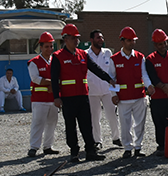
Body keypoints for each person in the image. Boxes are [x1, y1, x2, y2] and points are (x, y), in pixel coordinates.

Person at [50, 23, 113, 163]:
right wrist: (56, 97)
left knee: (86, 125)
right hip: (68, 98)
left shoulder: (83, 54)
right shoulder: (58, 56)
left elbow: (95, 68)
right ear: (65, 39)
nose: (76, 40)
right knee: (70, 126)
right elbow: (54, 78)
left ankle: (91, 151)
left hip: (83, 96)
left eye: (77, 38)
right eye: (73, 38)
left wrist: (108, 79)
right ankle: (74, 152)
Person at [110, 26, 153, 159]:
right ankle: (128, 148)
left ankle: (138, 147)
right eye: (129, 40)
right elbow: (111, 79)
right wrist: (113, 95)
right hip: (123, 98)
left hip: (139, 96)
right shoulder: (114, 59)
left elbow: (144, 74)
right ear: (122, 41)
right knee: (125, 125)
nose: (132, 43)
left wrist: (149, 86)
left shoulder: (140, 57)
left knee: (140, 124)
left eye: (133, 40)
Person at [27, 32, 60, 157]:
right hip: (39, 99)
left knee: (52, 123)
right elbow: (35, 78)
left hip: (53, 98)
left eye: (51, 46)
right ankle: (34, 147)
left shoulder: (55, 61)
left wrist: (53, 85)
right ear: (40, 47)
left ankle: (48, 146)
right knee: (38, 122)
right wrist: (52, 83)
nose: (49, 49)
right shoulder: (34, 62)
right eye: (46, 46)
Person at [87, 30, 121, 149]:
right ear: (91, 40)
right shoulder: (86, 54)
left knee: (112, 115)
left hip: (107, 91)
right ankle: (97, 141)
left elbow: (112, 70)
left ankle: (116, 138)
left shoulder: (108, 52)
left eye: (102, 37)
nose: (101, 40)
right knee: (95, 118)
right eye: (98, 38)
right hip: (92, 92)